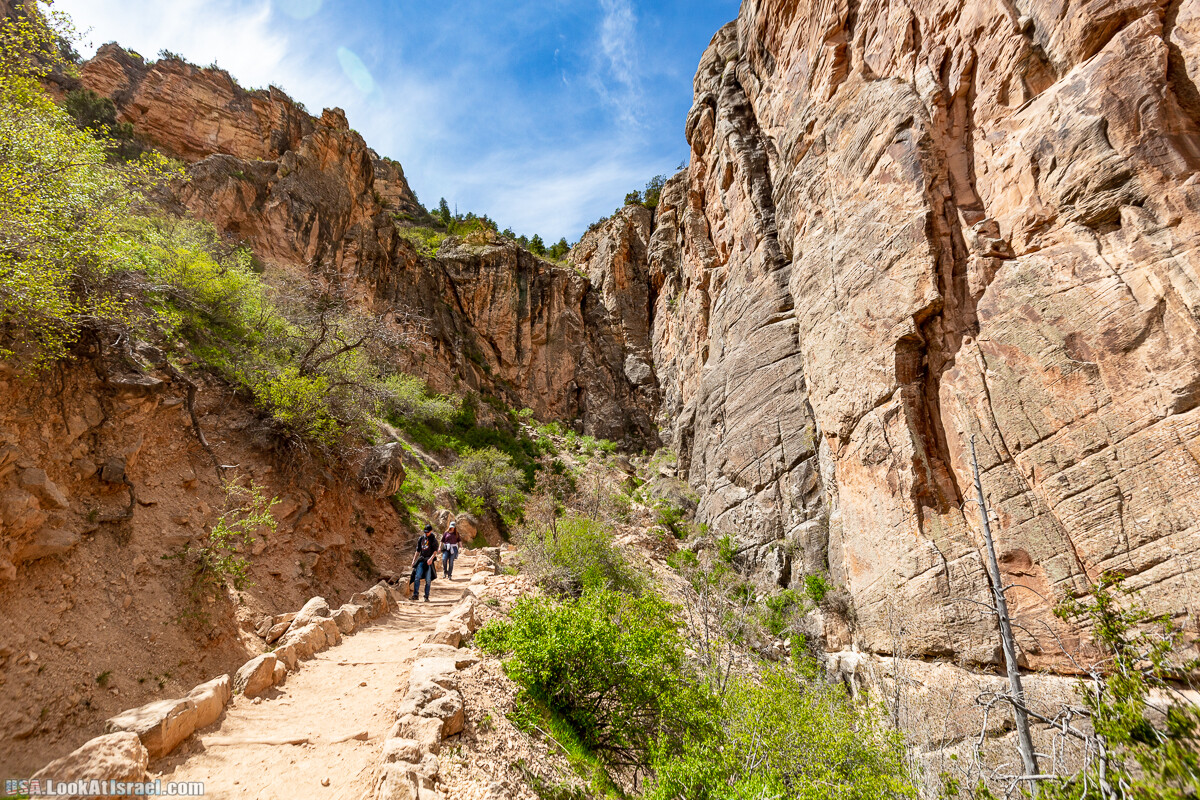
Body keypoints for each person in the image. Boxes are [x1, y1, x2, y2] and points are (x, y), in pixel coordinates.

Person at [411, 524, 438, 602]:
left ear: (431, 531)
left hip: (429, 561)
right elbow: (418, 550)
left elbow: (435, 552)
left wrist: (431, 559)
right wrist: (413, 560)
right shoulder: (421, 538)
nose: (426, 533)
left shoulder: (434, 540)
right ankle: (415, 595)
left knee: (428, 579)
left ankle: (426, 596)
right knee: (417, 577)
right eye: (425, 532)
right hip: (421, 560)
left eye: (428, 532)